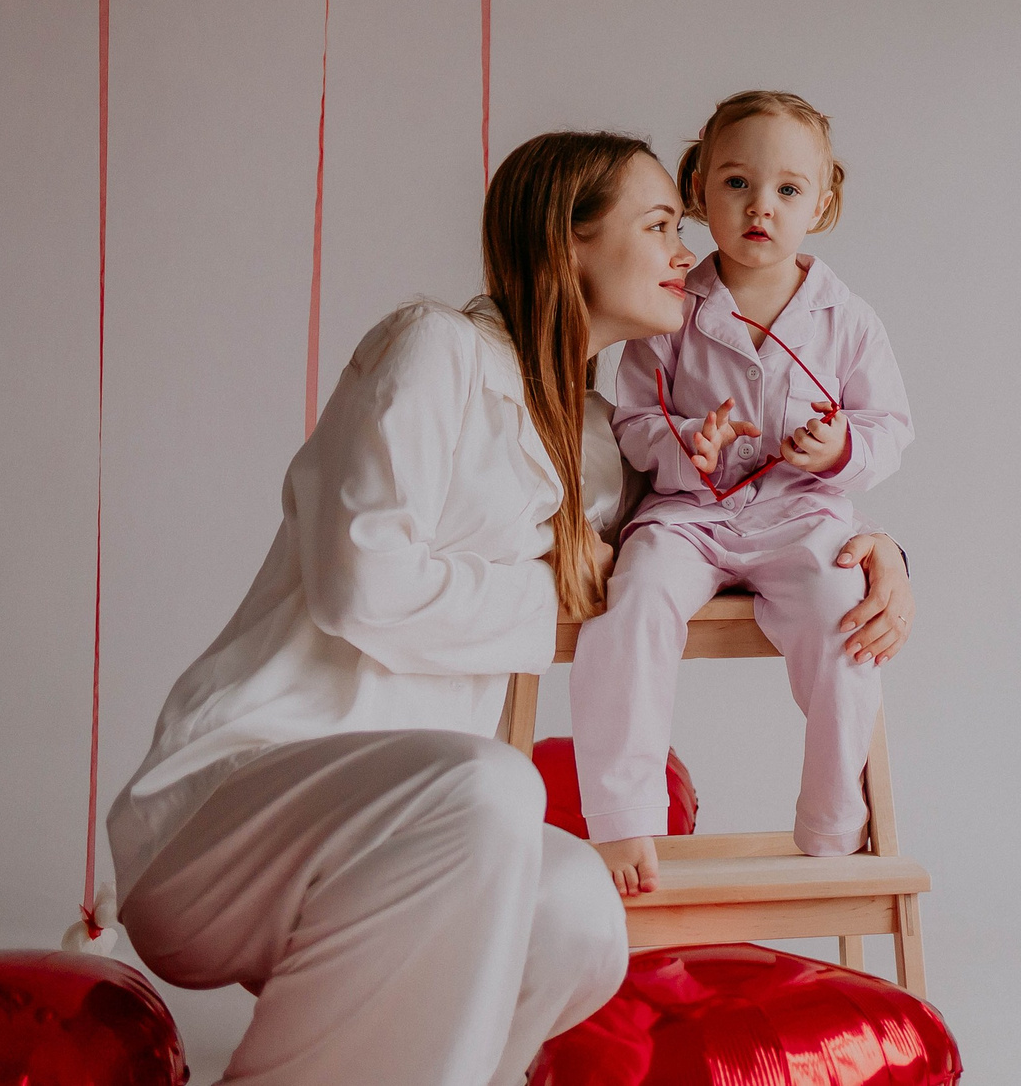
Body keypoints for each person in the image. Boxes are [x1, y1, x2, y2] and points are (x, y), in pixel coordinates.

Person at [106, 130, 915, 1086]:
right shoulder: (433, 347)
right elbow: (360, 581)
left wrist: (880, 557)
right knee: (498, 785)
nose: (683, 252)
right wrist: (545, 593)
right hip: (236, 808)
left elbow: (719, 544)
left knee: (579, 906)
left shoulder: (602, 444)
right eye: (658, 224)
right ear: (568, 243)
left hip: (404, 852)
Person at [576, 91, 915, 897]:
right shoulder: (670, 305)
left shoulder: (847, 318)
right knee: (637, 597)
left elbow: (890, 427)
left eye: (788, 190)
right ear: (697, 188)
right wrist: (686, 446)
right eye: (736, 182)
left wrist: (839, 448)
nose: (760, 206)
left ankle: (835, 821)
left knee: (843, 616)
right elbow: (631, 419)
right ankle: (624, 814)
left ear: (821, 203)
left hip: (801, 514)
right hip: (688, 513)